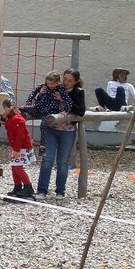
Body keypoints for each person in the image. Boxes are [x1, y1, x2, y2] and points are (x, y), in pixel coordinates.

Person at [36, 69, 86, 199]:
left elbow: (81, 111)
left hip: (67, 131)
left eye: (70, 81)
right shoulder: (54, 87)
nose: (66, 82)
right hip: (51, 128)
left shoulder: (78, 93)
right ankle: (42, 190)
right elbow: (41, 103)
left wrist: (64, 99)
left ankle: (60, 191)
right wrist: (40, 95)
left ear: (75, 82)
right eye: (65, 79)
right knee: (47, 160)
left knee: (63, 162)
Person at [2, 98, 36, 201]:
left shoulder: (17, 120)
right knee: (14, 167)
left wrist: (16, 150)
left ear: (8, 108)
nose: (3, 111)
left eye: (4, 109)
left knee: (18, 168)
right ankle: (17, 186)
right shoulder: (10, 118)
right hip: (16, 147)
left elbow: (20, 137)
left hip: (22, 147)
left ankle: (28, 186)